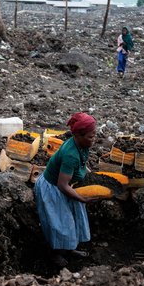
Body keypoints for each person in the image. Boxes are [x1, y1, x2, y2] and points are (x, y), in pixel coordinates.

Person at [35, 113, 96, 267]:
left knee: (73, 219)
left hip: (66, 186)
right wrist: (82, 199)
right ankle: (54, 254)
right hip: (53, 189)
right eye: (90, 137)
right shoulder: (71, 155)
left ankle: (69, 249)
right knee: (59, 224)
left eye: (94, 136)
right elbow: (62, 185)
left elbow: (81, 166)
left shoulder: (81, 145)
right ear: (78, 135)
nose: (93, 140)